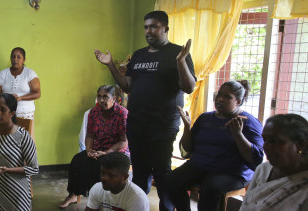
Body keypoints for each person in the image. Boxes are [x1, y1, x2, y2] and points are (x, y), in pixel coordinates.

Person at [94, 10, 196, 211]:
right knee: (139, 172)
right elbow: (127, 86)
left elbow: (189, 87)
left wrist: (181, 63)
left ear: (165, 28)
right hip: (136, 124)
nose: (149, 31)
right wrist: (110, 65)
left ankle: (166, 208)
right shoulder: (139, 55)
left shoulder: (178, 53)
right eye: (146, 27)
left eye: (154, 26)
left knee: (162, 172)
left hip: (162, 125)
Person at [165, 80, 264, 211]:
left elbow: (256, 159)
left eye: (227, 97)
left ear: (238, 102)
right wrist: (188, 128)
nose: (220, 99)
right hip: (201, 165)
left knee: (211, 188)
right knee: (172, 180)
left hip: (231, 172)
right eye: (219, 95)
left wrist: (238, 135)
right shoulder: (205, 118)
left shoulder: (248, 122)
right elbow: (187, 150)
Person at [60, 85, 128, 208]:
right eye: (99, 97)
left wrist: (107, 152)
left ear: (114, 99)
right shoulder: (93, 112)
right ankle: (73, 194)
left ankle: (97, 200)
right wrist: (89, 150)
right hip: (98, 149)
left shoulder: (122, 113)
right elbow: (90, 135)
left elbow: (124, 141)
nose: (101, 100)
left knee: (97, 166)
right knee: (78, 160)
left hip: (116, 152)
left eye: (105, 97)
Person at [0, 93, 38, 210]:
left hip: (17, 195)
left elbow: (34, 168)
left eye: (3, 110)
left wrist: (8, 170)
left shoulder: (23, 136)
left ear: (12, 113)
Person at [240, 114, 308, 211]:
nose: (266, 146)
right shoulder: (263, 169)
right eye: (265, 140)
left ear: (300, 145)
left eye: (275, 141)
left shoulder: (304, 184)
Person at [0, 47, 41, 138]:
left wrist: (20, 98)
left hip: (25, 114)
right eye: (13, 57)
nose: (15, 59)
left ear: (24, 59)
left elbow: (37, 93)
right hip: (7, 114)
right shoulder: (3, 74)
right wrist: (7, 98)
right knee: (7, 141)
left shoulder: (30, 74)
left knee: (25, 141)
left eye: (18, 57)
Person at [85, 152, 149, 211]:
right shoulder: (97, 189)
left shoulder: (137, 198)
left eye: (111, 175)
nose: (104, 178)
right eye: (103, 173)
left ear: (125, 177)